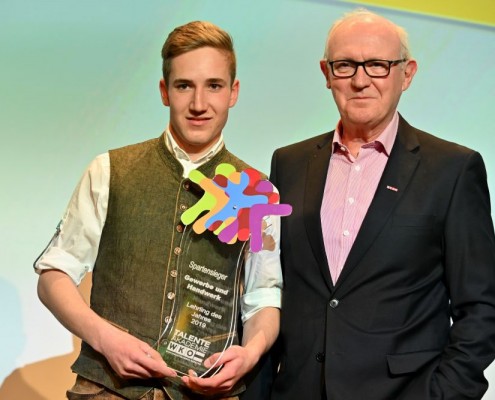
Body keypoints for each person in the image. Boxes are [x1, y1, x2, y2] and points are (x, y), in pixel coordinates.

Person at [34, 21, 281, 400]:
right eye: (184, 86)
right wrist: (105, 339)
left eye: (214, 85)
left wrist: (249, 354)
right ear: (165, 91)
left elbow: (262, 296)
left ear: (233, 92)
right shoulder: (110, 170)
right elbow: (54, 275)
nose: (199, 104)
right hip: (106, 390)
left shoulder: (256, 192)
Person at [265, 8, 495, 400]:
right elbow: (270, 287)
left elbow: (482, 307)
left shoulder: (453, 170)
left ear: (407, 73)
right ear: (326, 73)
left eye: (377, 65)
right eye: (345, 65)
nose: (360, 80)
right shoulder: (288, 164)